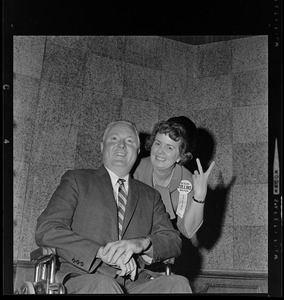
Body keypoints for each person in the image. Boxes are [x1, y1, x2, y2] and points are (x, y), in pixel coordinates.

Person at [35, 120, 192, 294]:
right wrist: (100, 252)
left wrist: (141, 243)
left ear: (138, 152)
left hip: (134, 281)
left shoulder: (151, 196)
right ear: (102, 147)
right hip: (83, 276)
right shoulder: (77, 180)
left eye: (130, 141)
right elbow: (47, 229)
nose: (122, 145)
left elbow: (173, 240)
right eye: (114, 139)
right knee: (105, 286)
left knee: (177, 284)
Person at [133, 116, 215, 240]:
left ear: (180, 156)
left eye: (169, 147)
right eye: (158, 143)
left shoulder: (186, 181)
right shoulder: (134, 168)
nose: (160, 151)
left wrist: (199, 196)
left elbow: (188, 231)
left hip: (158, 242)